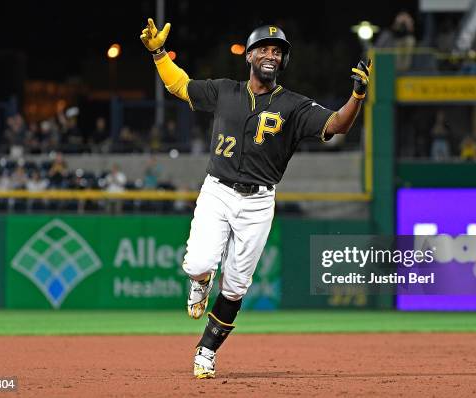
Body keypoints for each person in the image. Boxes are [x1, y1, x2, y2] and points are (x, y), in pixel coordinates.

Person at [140, 18, 372, 379]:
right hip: (217, 190)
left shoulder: (295, 106)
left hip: (258, 202)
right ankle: (200, 282)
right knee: (198, 263)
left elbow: (337, 125)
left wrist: (356, 96)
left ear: (282, 62)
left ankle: (206, 350)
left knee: (235, 286)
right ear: (249, 55)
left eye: (277, 51)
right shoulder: (224, 91)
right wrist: (157, 53)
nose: (271, 54)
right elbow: (180, 86)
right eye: (263, 48)